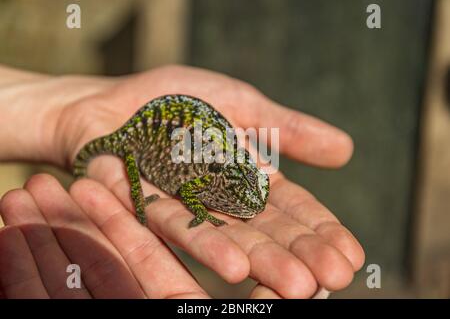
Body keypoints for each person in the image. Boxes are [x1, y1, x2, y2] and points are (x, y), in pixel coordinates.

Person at [0, 64, 364, 298]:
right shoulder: (210, 176)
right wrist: (150, 202)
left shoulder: (231, 167)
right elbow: (189, 189)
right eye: (240, 194)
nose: (252, 203)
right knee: (129, 170)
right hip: (143, 134)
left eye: (256, 189)